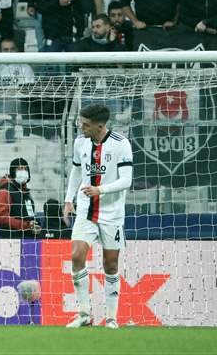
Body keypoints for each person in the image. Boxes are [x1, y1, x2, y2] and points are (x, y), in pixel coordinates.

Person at [62, 103, 133, 329]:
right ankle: (84, 314)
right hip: (85, 209)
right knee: (76, 255)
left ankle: (111, 318)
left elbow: (126, 180)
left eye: (86, 125)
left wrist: (99, 190)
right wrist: (68, 199)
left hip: (111, 213)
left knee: (110, 264)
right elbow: (76, 169)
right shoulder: (80, 142)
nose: (81, 127)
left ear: (100, 126)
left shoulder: (121, 144)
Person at [0, 158, 42, 238]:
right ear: (13, 172)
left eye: (25, 169)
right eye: (19, 169)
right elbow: (2, 219)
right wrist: (27, 225)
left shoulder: (26, 193)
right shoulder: (4, 191)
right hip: (11, 241)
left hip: (28, 239)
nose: (23, 171)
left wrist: (34, 225)